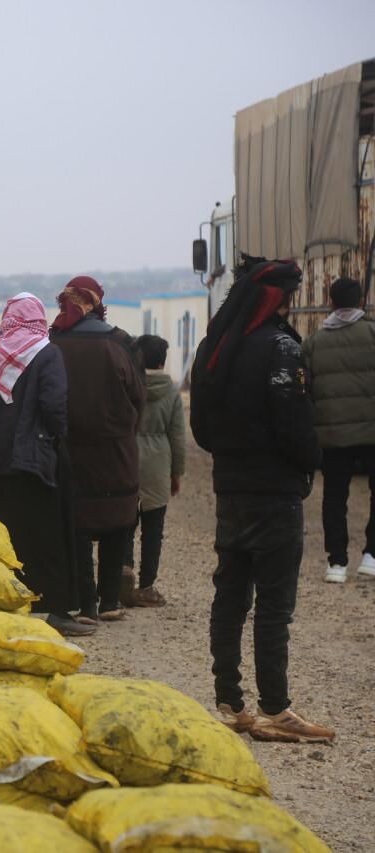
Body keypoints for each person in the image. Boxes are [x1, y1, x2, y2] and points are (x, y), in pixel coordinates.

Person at [191, 254, 332, 742]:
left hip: (231, 486)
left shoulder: (216, 345)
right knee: (274, 605)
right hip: (274, 491)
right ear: (277, 298)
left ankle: (230, 703)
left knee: (230, 594)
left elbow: (201, 427)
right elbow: (294, 423)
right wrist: (308, 460)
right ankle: (276, 709)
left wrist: (232, 454)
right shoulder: (279, 348)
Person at [0, 293, 89, 637]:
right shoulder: (46, 354)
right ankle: (55, 609)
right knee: (46, 537)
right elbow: (53, 405)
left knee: (1, 538)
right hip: (31, 464)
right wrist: (57, 441)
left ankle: (4, 605)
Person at [49, 275, 145, 624]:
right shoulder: (120, 342)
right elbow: (139, 396)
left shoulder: (54, 342)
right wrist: (126, 430)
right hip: (116, 451)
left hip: (70, 453)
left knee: (78, 526)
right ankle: (110, 602)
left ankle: (85, 604)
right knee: (117, 522)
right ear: (97, 302)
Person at [301, 277, 375, 583]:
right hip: (372, 432)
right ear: (360, 302)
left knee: (334, 497)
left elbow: (305, 390)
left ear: (331, 302)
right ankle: (371, 555)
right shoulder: (373, 333)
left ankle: (337, 563)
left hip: (332, 436)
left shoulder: (314, 342)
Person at [120, 335, 185, 608]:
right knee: (153, 528)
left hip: (128, 457)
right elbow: (177, 435)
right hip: (159, 462)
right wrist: (176, 472)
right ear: (162, 360)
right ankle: (147, 586)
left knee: (124, 523)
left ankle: (124, 571)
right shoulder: (171, 391)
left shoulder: (127, 385)